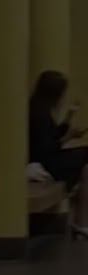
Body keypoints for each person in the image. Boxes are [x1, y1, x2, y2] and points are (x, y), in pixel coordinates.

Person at [27, 70, 88, 236]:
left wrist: (69, 118)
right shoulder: (39, 114)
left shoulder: (38, 109)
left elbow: (52, 136)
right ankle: (81, 218)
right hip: (44, 162)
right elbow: (47, 148)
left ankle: (81, 218)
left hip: (45, 159)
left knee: (84, 165)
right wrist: (69, 137)